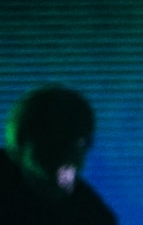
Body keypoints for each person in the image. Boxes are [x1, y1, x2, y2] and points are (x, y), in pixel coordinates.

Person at [1, 84, 117, 225]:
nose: (65, 150)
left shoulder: (91, 214)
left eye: (76, 140)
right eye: (53, 138)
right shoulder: (90, 211)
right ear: (22, 140)